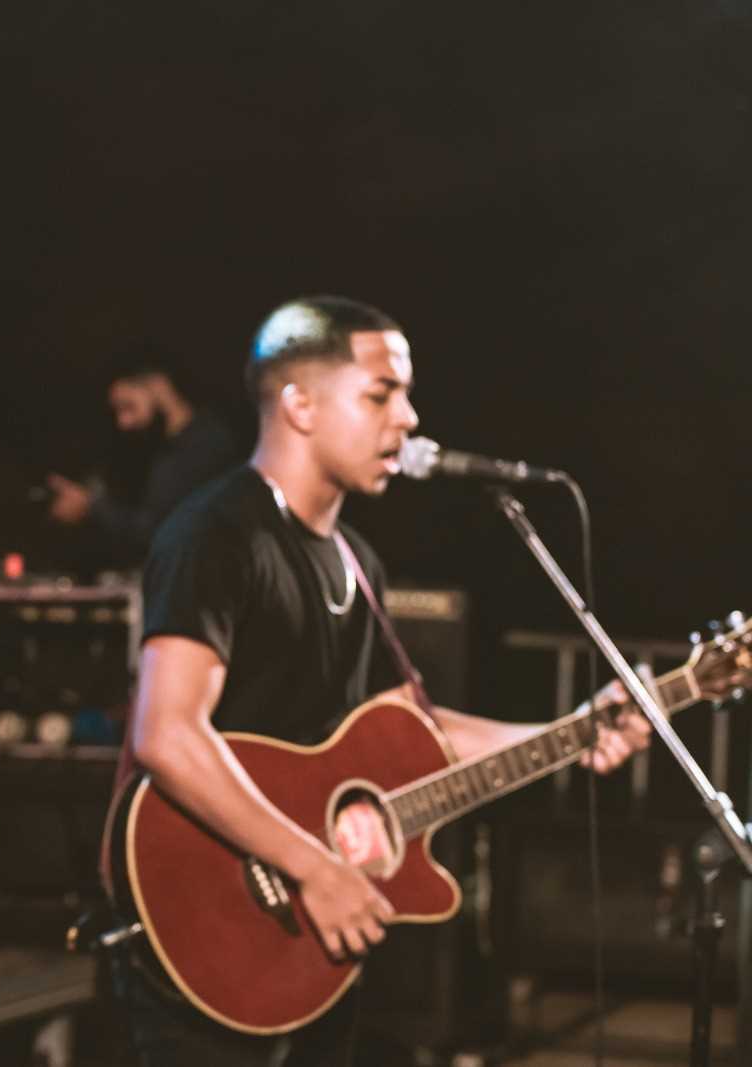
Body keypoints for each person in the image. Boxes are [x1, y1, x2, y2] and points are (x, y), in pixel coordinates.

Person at [115, 295, 651, 1065]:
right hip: (208, 925)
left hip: (312, 950)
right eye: (381, 393)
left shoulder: (357, 562)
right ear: (299, 403)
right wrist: (313, 867)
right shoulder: (218, 533)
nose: (407, 418)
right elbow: (167, 733)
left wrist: (572, 731)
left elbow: (413, 727)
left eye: (403, 393)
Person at [46, 347, 238, 567]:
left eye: (129, 407)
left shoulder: (207, 445)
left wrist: (91, 506)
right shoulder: (159, 450)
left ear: (158, 386)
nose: (123, 422)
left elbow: (160, 531)